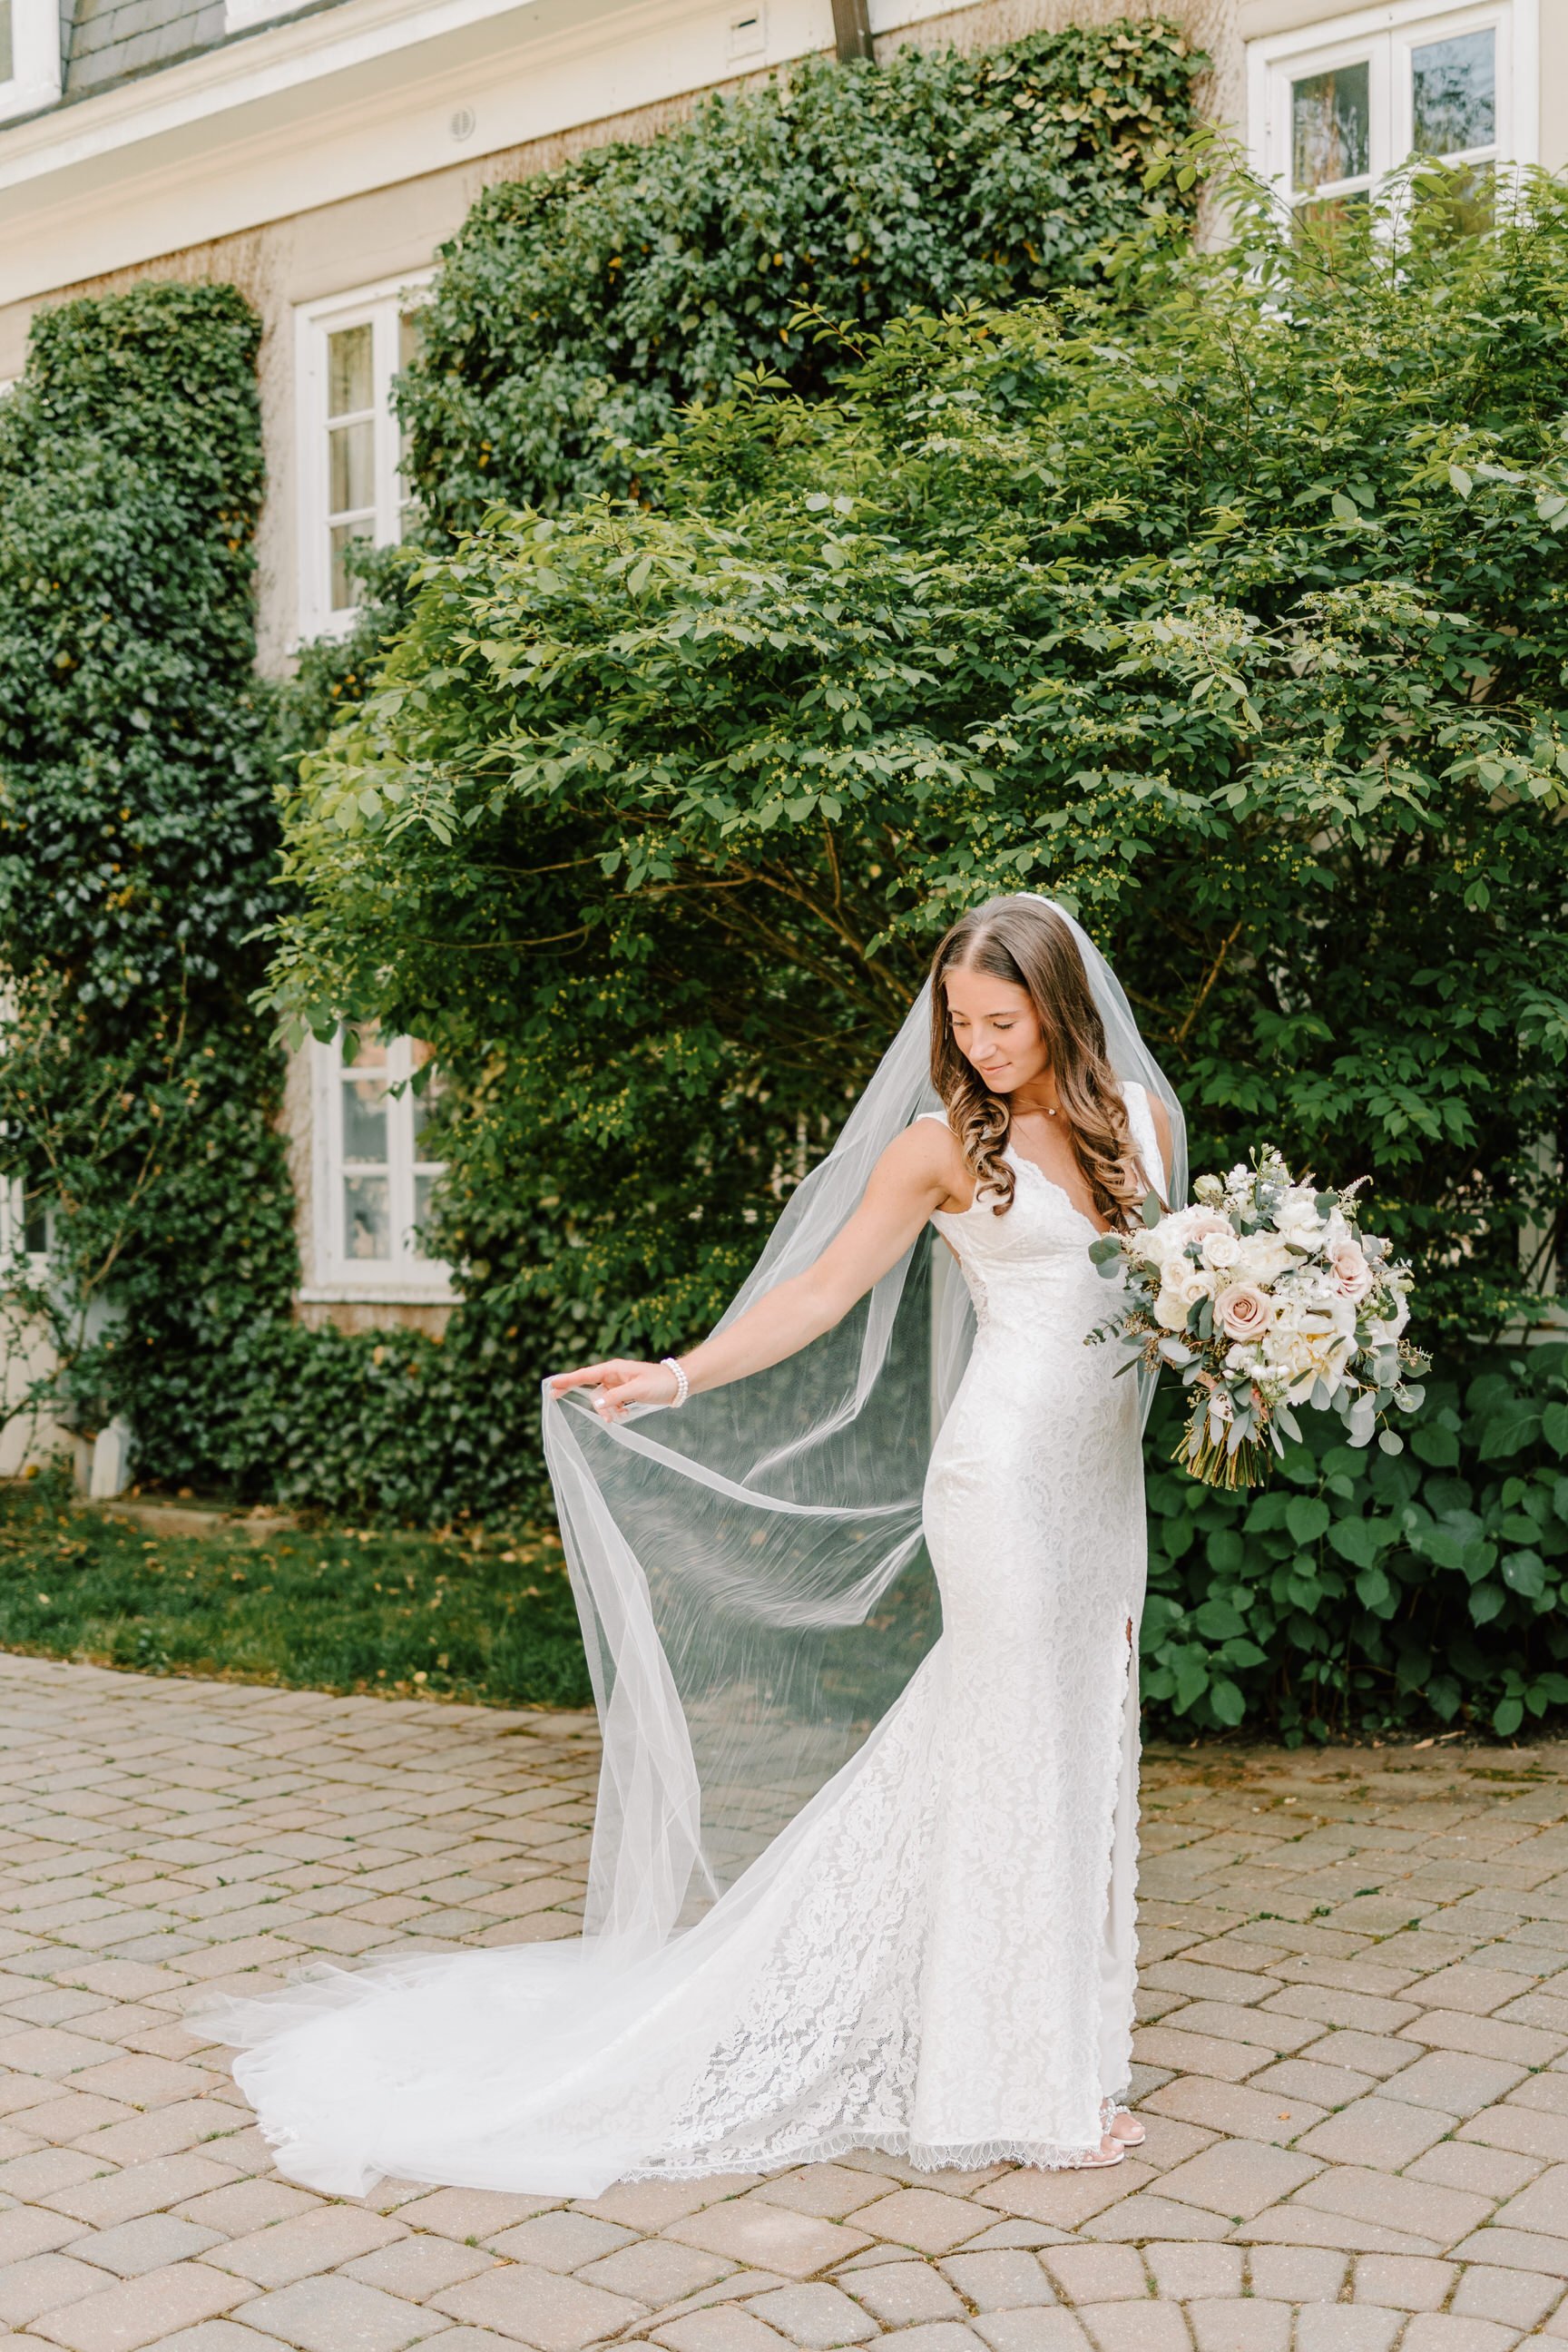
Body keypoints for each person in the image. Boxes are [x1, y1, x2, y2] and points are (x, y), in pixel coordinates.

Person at [200, 895, 1185, 2198]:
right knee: (1011, 1750)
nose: (979, 1041)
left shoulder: (1140, 1117)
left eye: (1001, 1020)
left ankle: (1052, 2041)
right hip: (998, 1479)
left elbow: (1167, 1297)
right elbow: (822, 1293)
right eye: (959, 1019)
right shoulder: (941, 1145)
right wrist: (677, 1375)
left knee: (1073, 1740)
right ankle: (1015, 2084)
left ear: (1060, 1007)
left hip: (1101, 1490)